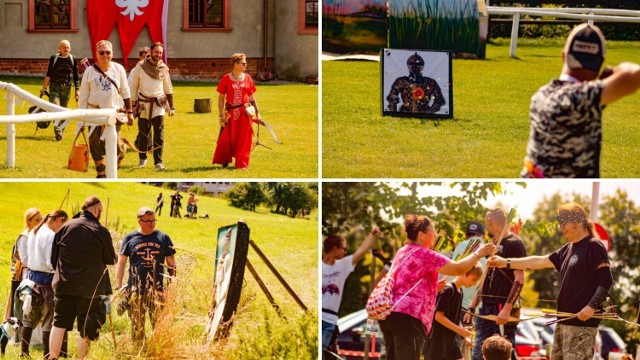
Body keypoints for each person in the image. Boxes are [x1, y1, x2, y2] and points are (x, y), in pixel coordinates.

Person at [487, 203, 612, 359]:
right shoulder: (567, 249)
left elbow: (606, 279)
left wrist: (591, 306)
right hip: (563, 322)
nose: (561, 229)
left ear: (578, 222)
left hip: (582, 326)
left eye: (563, 224)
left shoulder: (593, 246)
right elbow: (538, 261)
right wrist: (505, 262)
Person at [521, 23, 640, 178]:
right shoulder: (583, 99)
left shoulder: (540, 96)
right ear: (600, 63)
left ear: (564, 56)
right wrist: (611, 72)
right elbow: (634, 74)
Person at [378, 215, 495, 360]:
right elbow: (458, 269)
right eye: (432, 232)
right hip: (409, 318)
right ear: (421, 235)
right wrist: (478, 254)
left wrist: (433, 289)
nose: (435, 235)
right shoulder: (425, 254)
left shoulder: (403, 251)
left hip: (390, 314)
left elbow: (407, 284)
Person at [48, 196, 116, 360]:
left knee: (58, 324)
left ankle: (52, 358)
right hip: (89, 289)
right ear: (97, 210)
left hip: (64, 285)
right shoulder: (100, 230)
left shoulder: (66, 226)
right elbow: (111, 259)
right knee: (86, 327)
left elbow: (53, 259)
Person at [467, 208, 526, 360]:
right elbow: (486, 276)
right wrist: (472, 305)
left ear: (490, 221)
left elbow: (519, 279)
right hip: (486, 306)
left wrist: (507, 309)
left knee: (503, 352)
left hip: (501, 306)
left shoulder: (515, 243)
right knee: (479, 353)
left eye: (486, 222)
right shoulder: (492, 243)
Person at [115, 207, 176, 341]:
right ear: (139, 221)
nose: (151, 224)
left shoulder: (163, 238)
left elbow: (171, 264)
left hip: (158, 290)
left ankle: (158, 350)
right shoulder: (129, 238)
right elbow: (121, 263)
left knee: (159, 325)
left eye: (153, 220)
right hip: (136, 290)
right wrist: (119, 286)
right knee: (137, 326)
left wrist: (171, 287)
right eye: (147, 221)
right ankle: (139, 350)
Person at [321, 227, 382, 358]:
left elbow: (361, 251)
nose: (345, 251)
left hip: (330, 322)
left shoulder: (342, 266)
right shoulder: (319, 267)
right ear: (334, 248)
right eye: (343, 248)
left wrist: (372, 235)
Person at [78, 40, 134, 178]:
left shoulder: (118, 69)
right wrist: (81, 118)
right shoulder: (89, 72)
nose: (105, 55)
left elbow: (126, 92)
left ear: (112, 54)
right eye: (101, 52)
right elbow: (83, 96)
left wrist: (130, 112)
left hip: (113, 114)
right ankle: (100, 171)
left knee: (113, 143)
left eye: (107, 52)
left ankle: (121, 150)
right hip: (93, 112)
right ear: (96, 54)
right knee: (94, 143)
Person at [21, 210, 68, 358]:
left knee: (30, 317)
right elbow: (50, 262)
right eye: (63, 224)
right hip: (46, 280)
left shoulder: (35, 231)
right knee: (49, 319)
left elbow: (29, 259)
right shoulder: (50, 235)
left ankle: (24, 352)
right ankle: (48, 355)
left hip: (32, 277)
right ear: (59, 220)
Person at [129, 42, 175, 170]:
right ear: (150, 52)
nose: (158, 55)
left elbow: (168, 88)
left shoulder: (164, 68)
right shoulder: (140, 66)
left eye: (160, 53)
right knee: (143, 133)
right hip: (143, 104)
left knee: (159, 133)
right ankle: (142, 159)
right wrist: (133, 105)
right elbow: (134, 86)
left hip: (158, 104)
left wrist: (171, 107)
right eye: (156, 52)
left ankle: (158, 162)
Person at [423, 264, 483, 360]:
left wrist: (463, 335)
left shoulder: (460, 291)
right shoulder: (448, 290)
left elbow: (455, 319)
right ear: (464, 273)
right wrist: (459, 330)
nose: (474, 284)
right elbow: (438, 316)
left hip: (450, 341)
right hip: (437, 342)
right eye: (473, 279)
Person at [212, 53, 263, 169]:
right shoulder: (226, 78)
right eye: (243, 63)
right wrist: (221, 115)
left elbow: (252, 98)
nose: (246, 65)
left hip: (245, 114)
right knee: (226, 138)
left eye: (245, 63)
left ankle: (242, 164)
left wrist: (258, 114)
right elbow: (221, 98)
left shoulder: (248, 78)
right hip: (229, 114)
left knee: (245, 139)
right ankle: (225, 159)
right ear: (235, 64)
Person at [8, 208, 42, 344]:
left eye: (41, 219)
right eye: (37, 220)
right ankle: (26, 338)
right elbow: (25, 259)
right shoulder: (24, 237)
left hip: (39, 274)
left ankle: (37, 338)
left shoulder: (40, 234)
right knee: (27, 305)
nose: (40, 222)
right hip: (27, 275)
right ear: (28, 222)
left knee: (39, 305)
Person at [40, 40, 80, 141]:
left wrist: (77, 89)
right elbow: (49, 73)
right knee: (56, 108)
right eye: (64, 47)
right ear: (59, 48)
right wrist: (44, 88)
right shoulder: (54, 58)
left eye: (68, 47)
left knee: (64, 110)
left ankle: (61, 131)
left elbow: (76, 75)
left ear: (70, 48)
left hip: (67, 88)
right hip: (54, 87)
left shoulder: (72, 59)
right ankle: (58, 132)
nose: (66, 49)